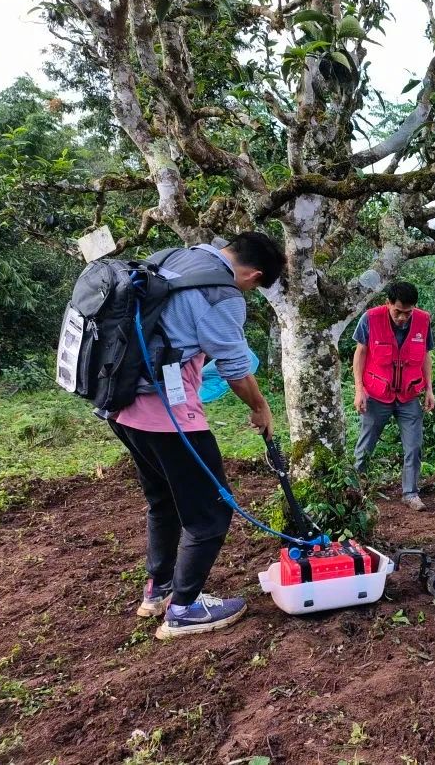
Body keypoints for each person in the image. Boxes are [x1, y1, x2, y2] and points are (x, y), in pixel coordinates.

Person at [110, 232, 285, 639]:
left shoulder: (171, 258)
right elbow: (235, 367)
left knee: (164, 500)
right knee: (210, 513)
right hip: (166, 416)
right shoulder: (222, 292)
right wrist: (261, 407)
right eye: (254, 288)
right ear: (255, 275)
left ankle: (158, 591)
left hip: (120, 406)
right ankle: (184, 609)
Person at [352, 281, 435, 511]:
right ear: (388, 303)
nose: (402, 317)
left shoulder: (423, 320)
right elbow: (360, 354)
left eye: (408, 312)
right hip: (377, 393)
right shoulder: (370, 318)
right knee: (365, 445)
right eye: (398, 311)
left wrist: (429, 389)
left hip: (408, 394)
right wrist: (359, 390)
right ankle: (355, 490)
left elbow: (425, 356)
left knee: (414, 446)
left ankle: (410, 493)